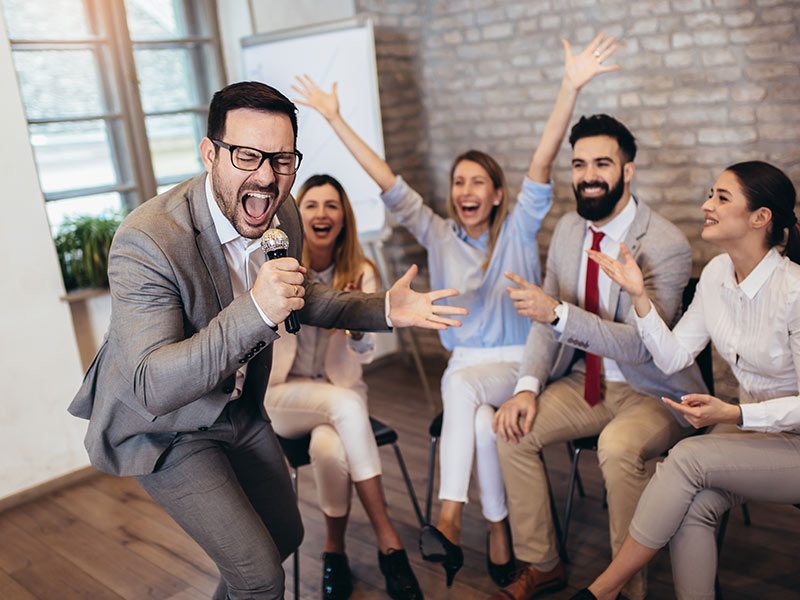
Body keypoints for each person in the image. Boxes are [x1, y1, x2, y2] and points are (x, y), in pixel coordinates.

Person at [67, 81, 467, 600]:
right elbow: (152, 386)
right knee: (259, 578)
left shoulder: (284, 213)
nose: (266, 178)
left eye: (282, 160)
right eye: (247, 156)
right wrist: (256, 309)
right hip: (167, 429)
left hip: (241, 409)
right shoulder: (148, 240)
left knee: (285, 536)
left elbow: (300, 293)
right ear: (210, 153)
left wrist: (385, 308)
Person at [293, 32, 619, 589]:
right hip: (467, 364)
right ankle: (497, 537)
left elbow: (542, 160)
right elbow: (385, 178)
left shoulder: (518, 228)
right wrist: (334, 119)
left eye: (478, 182)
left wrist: (569, 87)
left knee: (462, 392)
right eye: (458, 181)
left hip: (521, 363)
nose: (466, 189)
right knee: (479, 425)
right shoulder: (437, 234)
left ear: (496, 194)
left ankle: (447, 517)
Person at [490, 111, 709, 600]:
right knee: (510, 429)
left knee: (616, 447)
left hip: (655, 391)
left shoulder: (666, 244)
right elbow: (545, 323)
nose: (588, 176)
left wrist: (559, 313)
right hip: (584, 383)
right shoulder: (568, 229)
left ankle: (625, 589)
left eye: (602, 164)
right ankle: (543, 563)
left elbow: (640, 344)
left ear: (627, 171)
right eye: (580, 164)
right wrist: (526, 388)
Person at [570, 161, 800, 600]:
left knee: (687, 458)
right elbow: (672, 356)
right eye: (710, 195)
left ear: (760, 217)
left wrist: (734, 412)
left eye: (720, 197)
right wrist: (640, 296)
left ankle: (601, 590)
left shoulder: (795, 293)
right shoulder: (715, 275)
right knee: (693, 505)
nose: (705, 205)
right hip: (753, 433)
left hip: (794, 440)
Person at [265, 173, 421, 599]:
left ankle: (334, 552)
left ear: (343, 217)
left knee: (330, 449)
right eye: (311, 205)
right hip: (283, 397)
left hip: (337, 395)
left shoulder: (361, 271)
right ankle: (389, 541)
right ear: (297, 217)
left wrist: (354, 323)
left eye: (331, 205)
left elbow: (366, 355)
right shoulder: (278, 271)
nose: (321, 213)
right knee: (348, 408)